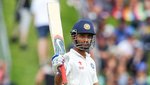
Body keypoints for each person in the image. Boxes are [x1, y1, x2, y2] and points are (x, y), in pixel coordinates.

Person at [52, 19, 99, 85]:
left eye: (89, 36)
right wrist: (60, 72)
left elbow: (95, 83)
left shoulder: (91, 61)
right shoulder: (68, 58)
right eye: (82, 36)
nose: (86, 40)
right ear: (75, 37)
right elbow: (58, 83)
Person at [31, 0, 54, 84]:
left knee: (42, 39)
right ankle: (45, 60)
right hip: (50, 19)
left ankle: (43, 61)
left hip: (41, 20)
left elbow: (34, 9)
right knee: (46, 39)